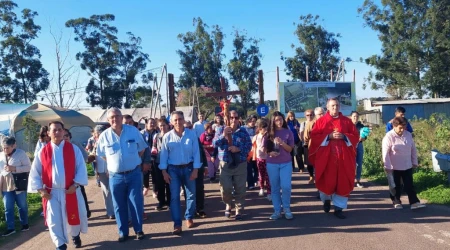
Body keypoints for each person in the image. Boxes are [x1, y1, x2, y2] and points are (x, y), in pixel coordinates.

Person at [28, 121, 88, 250]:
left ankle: (75, 235)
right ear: (48, 133)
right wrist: (40, 189)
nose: (57, 132)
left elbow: (81, 168)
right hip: (52, 193)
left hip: (70, 191)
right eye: (54, 130)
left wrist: (76, 184)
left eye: (59, 129)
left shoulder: (73, 149)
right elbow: (35, 172)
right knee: (54, 221)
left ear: (64, 131)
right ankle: (60, 246)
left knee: (73, 218)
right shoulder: (43, 152)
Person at [96, 108, 148, 242]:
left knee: (136, 203)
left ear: (121, 117)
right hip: (115, 176)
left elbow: (142, 148)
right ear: (108, 120)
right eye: (112, 117)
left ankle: (138, 230)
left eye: (117, 116)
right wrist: (114, 165)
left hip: (134, 174)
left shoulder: (133, 131)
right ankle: (123, 232)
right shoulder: (104, 136)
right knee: (119, 205)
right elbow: (102, 154)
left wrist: (133, 161)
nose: (115, 119)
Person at [309, 98, 359, 219]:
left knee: (342, 182)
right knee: (327, 180)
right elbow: (314, 136)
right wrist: (328, 136)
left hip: (343, 158)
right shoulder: (321, 121)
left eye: (336, 105)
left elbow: (355, 136)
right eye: (332, 106)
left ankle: (338, 208)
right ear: (327, 107)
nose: (335, 108)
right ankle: (326, 200)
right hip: (327, 158)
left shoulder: (347, 122)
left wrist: (345, 136)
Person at [159, 111, 201, 235]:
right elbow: (163, 155)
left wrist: (196, 169)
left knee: (192, 195)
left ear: (184, 120)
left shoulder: (191, 134)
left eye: (180, 119)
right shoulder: (167, 137)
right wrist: (164, 172)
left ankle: (189, 216)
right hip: (173, 170)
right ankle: (177, 224)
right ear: (171, 122)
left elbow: (196, 153)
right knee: (174, 197)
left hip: (189, 168)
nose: (178, 122)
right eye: (175, 120)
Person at [213, 110, 252, 221]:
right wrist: (223, 135)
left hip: (240, 163)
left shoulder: (243, 131)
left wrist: (238, 149)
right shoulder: (220, 130)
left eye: (235, 117)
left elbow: (249, 146)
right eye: (231, 117)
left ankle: (238, 208)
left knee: (240, 188)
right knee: (225, 188)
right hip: (225, 164)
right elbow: (214, 144)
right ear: (227, 118)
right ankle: (228, 204)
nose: (233, 120)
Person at [382, 117, 426, 210]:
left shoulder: (408, 135)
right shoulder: (389, 137)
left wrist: (414, 161)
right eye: (400, 128)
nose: (402, 130)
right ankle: (396, 201)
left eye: (404, 127)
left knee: (409, 184)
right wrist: (387, 166)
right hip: (394, 166)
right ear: (394, 126)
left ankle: (414, 202)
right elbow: (385, 153)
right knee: (396, 185)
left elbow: (413, 149)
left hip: (407, 165)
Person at [265, 111, 295, 220]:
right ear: (273, 121)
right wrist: (269, 153)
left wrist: (282, 143)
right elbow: (264, 149)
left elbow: (290, 149)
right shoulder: (268, 133)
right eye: (276, 120)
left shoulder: (288, 132)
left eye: (281, 119)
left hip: (286, 163)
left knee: (286, 186)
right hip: (272, 164)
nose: (279, 122)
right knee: (275, 188)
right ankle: (277, 210)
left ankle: (286, 208)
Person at [0, 136, 31, 236]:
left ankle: (25, 224)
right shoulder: (1, 155)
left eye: (7, 147)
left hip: (19, 183)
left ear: (14, 146)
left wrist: (15, 168)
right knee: (7, 207)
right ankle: (10, 228)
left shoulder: (21, 154)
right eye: (3, 147)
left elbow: (28, 167)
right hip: (5, 185)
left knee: (22, 205)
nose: (5, 150)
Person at [63, 129, 91, 219]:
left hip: (76, 175)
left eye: (66, 135)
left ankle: (86, 211)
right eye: (63, 136)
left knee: (81, 193)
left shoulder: (75, 146)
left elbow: (85, 157)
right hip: (64, 178)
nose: (65, 138)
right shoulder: (59, 149)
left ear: (70, 136)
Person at [92, 125, 114, 219]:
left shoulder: (107, 140)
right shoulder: (96, 142)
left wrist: (109, 169)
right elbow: (95, 155)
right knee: (105, 191)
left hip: (108, 169)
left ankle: (112, 212)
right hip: (101, 169)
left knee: (110, 191)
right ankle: (109, 211)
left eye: (96, 133)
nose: (95, 135)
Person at [151, 118, 171, 211]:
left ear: (167, 125)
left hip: (170, 162)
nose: (162, 127)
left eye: (163, 125)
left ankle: (171, 202)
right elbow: (154, 148)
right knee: (160, 183)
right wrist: (153, 159)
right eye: (160, 125)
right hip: (158, 162)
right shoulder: (156, 136)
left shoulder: (172, 135)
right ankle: (161, 201)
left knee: (169, 182)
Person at [303, 108, 324, 184]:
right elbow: (306, 136)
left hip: (325, 148)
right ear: (316, 115)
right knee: (311, 163)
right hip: (313, 147)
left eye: (322, 113)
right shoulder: (311, 123)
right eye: (319, 114)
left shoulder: (327, 122)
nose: (321, 115)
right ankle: (312, 177)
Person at [141, 118, 159, 198]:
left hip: (155, 156)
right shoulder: (141, 133)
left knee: (155, 174)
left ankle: (155, 190)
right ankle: (146, 186)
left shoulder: (157, 133)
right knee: (145, 173)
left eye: (153, 123)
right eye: (150, 123)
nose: (152, 125)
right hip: (145, 156)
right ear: (146, 124)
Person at [254, 118, 271, 201]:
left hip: (268, 158)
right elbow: (252, 145)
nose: (265, 130)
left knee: (268, 176)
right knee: (261, 175)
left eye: (266, 128)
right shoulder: (256, 136)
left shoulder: (269, 136)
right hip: (259, 158)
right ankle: (261, 188)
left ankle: (269, 192)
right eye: (263, 128)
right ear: (259, 128)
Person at [243, 115, 258, 190]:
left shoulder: (257, 129)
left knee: (257, 168)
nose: (252, 123)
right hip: (248, 152)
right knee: (248, 169)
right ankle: (250, 184)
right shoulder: (243, 129)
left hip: (256, 152)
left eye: (254, 121)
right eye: (251, 121)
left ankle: (256, 179)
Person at [351, 111, 366, 188]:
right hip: (350, 146)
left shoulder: (362, 126)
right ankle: (350, 180)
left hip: (359, 145)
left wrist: (362, 138)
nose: (355, 118)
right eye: (354, 116)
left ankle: (358, 180)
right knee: (350, 164)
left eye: (357, 116)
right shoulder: (348, 125)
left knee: (359, 163)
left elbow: (365, 136)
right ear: (351, 117)